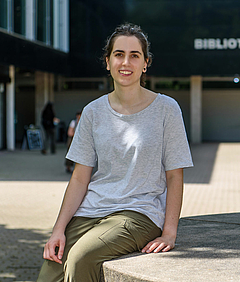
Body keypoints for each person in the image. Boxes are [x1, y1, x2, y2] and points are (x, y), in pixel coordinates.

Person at [36, 23, 193, 282]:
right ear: (107, 62)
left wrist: (169, 233)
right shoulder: (93, 112)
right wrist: (58, 229)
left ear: (145, 64)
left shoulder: (167, 109)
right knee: (49, 272)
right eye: (119, 54)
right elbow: (79, 177)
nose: (126, 62)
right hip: (91, 210)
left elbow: (175, 176)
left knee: (80, 259)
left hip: (140, 212)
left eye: (135, 55)